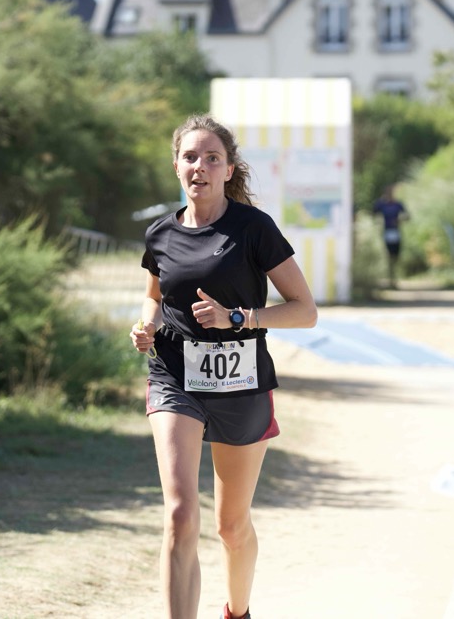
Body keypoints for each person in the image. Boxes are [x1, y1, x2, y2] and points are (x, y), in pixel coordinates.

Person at [130, 113, 318, 619]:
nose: (201, 166)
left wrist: (239, 317)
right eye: (190, 157)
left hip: (242, 381)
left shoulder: (253, 229)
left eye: (212, 158)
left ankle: (237, 611)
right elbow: (154, 298)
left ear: (229, 169)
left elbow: (305, 311)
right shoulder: (160, 234)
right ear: (176, 166)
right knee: (179, 514)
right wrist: (145, 326)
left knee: (231, 526)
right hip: (175, 377)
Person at [372, 184, 409, 288]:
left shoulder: (398, 204)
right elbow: (373, 212)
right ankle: (390, 280)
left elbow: (407, 216)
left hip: (396, 232)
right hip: (386, 232)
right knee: (388, 256)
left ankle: (394, 279)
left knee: (395, 256)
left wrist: (399, 220)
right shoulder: (382, 204)